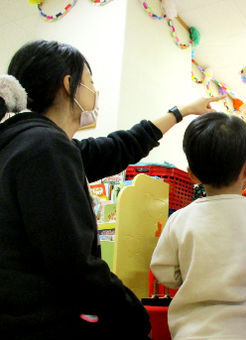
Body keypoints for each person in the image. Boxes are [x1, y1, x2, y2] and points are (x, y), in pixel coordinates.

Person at [0, 40, 222, 340]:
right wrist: (133, 314)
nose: (95, 92)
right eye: (90, 83)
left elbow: (119, 147)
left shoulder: (26, 144)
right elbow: (73, 264)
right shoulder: (45, 148)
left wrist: (181, 111)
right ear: (69, 85)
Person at [150, 112, 246, 340]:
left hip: (190, 332)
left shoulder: (179, 219)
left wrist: (187, 278)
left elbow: (163, 268)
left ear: (191, 174)